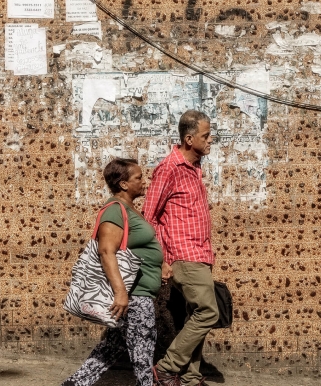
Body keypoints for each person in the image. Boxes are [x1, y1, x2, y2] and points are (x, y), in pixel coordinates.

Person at [62, 158, 164, 386]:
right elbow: (106, 252)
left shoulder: (128, 209)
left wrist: (160, 265)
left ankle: (75, 384)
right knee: (143, 350)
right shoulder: (114, 211)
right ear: (124, 184)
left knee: (111, 348)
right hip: (134, 295)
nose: (143, 182)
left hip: (137, 293)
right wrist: (120, 292)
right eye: (138, 177)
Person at [144, 110, 218, 386]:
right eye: (206, 136)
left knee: (194, 315)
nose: (211, 140)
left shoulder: (195, 165)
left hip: (199, 253)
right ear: (189, 139)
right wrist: (161, 261)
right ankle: (166, 367)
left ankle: (190, 379)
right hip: (183, 255)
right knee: (208, 312)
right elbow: (149, 216)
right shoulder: (170, 168)